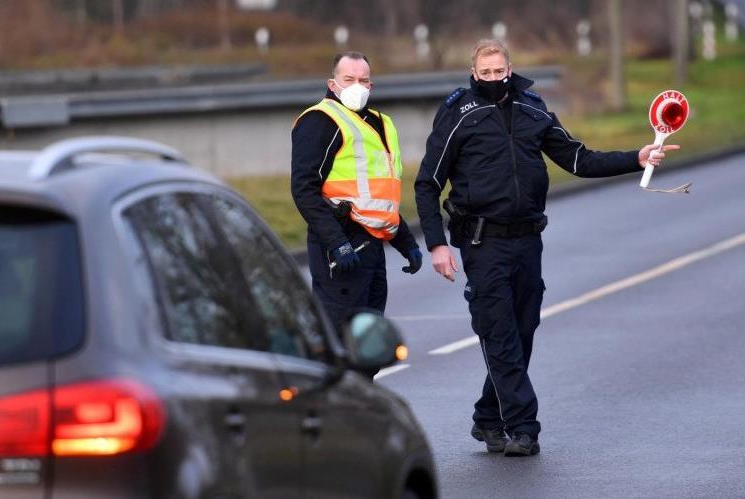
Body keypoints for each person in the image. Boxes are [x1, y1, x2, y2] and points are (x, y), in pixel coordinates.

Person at [414, 39, 679, 457]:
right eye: (485, 73)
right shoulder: (458, 113)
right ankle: (523, 427)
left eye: (499, 71)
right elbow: (427, 184)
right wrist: (437, 245)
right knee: (498, 333)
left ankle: (488, 417)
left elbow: (577, 159)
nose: (494, 79)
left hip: (527, 240)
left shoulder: (532, 107)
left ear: (510, 67)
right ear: (473, 72)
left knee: (521, 334)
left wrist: (637, 158)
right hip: (482, 242)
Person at [290, 51, 422, 377]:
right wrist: (336, 242)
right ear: (332, 83)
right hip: (340, 246)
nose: (357, 86)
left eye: (363, 80)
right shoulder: (319, 121)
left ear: (371, 84)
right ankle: (337, 415)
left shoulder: (380, 123)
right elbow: (304, 190)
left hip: (372, 246)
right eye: (349, 79)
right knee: (341, 345)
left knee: (369, 346)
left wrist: (406, 242)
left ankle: (359, 409)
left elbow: (378, 198)